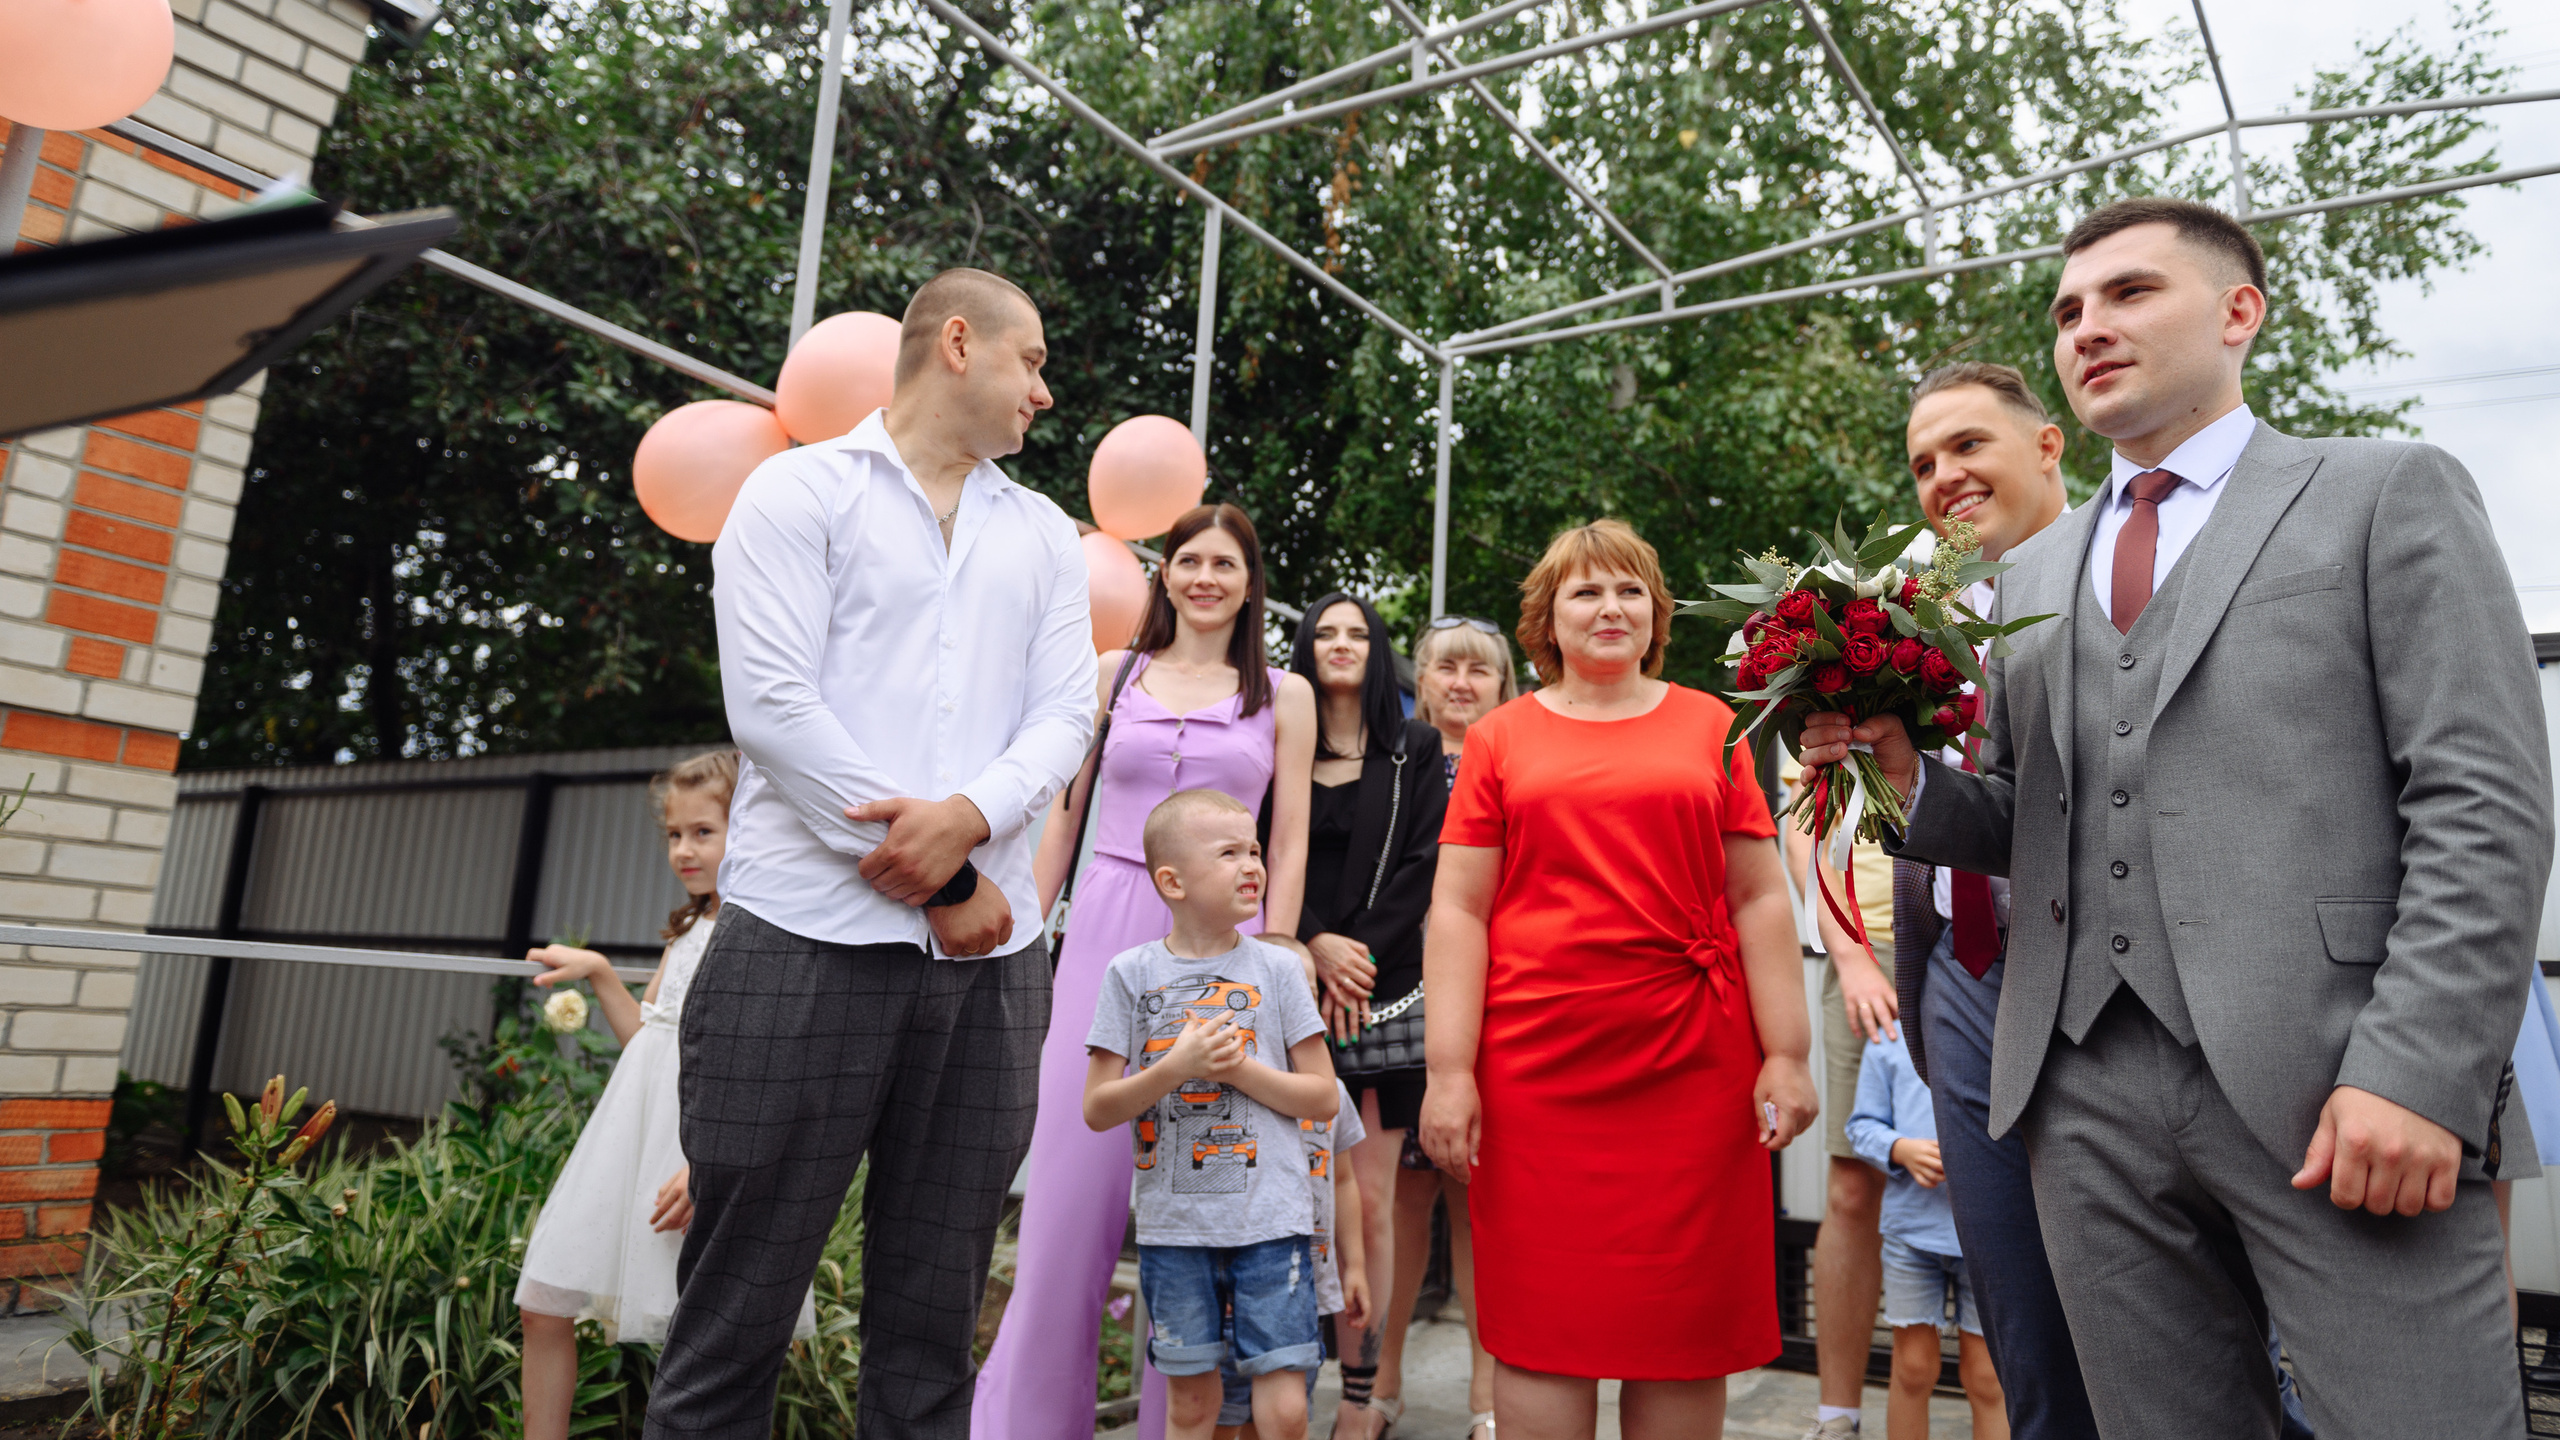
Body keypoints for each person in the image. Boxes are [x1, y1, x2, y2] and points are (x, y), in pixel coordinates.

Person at [1801, 197, 2555, 1438]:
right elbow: (2023, 817)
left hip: (2337, 1085)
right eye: (2066, 311)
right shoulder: (2026, 581)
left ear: (2240, 313)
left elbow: (2483, 800)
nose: (2088, 327)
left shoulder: (2382, 493)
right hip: (2081, 1096)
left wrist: (2419, 1072)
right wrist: (1903, 776)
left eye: (2131, 293)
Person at [651, 268, 1095, 1440]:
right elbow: (775, 713)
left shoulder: (1044, 533)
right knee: (734, 1316)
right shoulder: (795, 493)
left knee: (934, 1323)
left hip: (994, 972)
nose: (1045, 393)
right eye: (1033, 359)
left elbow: (1064, 716)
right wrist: (943, 872)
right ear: (959, 342)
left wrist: (969, 817)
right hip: (802, 947)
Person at [1420, 518, 1820, 1439]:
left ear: (1657, 612)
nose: (1610, 608)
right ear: (1546, 620)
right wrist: (1450, 1072)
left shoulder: (1715, 725)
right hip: (1535, 1077)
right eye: (1586, 592)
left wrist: (1787, 1053)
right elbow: (1459, 911)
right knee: (1542, 1331)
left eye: (1630, 589)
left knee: (1682, 1328)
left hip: (1693, 1071)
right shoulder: (1498, 738)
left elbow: (1759, 897)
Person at [982, 503, 1316, 1440]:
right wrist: (1021, 931)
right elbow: (1062, 813)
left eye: (1225, 563)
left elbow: (1286, 842)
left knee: (1200, 1210)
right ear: (1164, 574)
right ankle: (1026, 1427)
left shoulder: (1282, 693)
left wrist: (1275, 955)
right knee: (1065, 1214)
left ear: (1251, 584)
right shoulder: (1110, 673)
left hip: (1223, 952)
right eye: (1188, 560)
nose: (1205, 576)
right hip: (1101, 931)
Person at [1878, 361, 2096, 1440]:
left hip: (2102, 973)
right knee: (2017, 1308)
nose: (1944, 477)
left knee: (2155, 1311)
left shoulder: (2130, 567)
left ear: (2047, 444)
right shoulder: (1912, 611)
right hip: (1957, 972)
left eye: (1968, 446)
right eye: (1923, 463)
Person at [515, 752, 815, 1440]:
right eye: (674, 834)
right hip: (627, 1146)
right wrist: (597, 975)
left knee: (700, 1335)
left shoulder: (762, 933)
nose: (684, 849)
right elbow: (648, 1040)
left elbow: (776, 1064)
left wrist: (710, 1163)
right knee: (542, 1301)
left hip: (696, 1150)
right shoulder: (688, 927)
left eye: (704, 832)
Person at [1081, 789, 1338, 1440]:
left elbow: (1323, 1096)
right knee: (1193, 1410)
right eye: (1230, 853)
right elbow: (1097, 1107)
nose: (1253, 864)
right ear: (1172, 881)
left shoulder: (1278, 968)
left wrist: (1237, 1071)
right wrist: (1177, 1066)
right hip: (1175, 1232)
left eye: (1255, 850)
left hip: (1272, 1223)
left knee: (1283, 1413)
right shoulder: (1128, 974)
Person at [1285, 593, 1446, 1440]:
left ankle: (1360, 1396)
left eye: (1358, 633)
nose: (1340, 644)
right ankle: (1276, 1385)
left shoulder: (1413, 748)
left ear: (1378, 652)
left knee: (1372, 1201)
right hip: (1290, 985)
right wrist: (1309, 945)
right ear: (1304, 651)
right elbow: (1268, 852)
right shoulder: (1280, 745)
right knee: (1289, 1194)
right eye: (1324, 633)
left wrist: (1351, 958)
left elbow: (1424, 866)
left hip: (1381, 993)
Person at [1369, 615, 1515, 1440]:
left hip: (1497, 1004)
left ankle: (1489, 1401)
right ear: (1419, 680)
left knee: (1481, 1208)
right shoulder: (1392, 769)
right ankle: (1379, 1384)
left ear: (1504, 684)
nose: (1462, 682)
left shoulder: (1520, 763)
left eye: (1480, 670)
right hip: (1400, 1002)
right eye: (1445, 668)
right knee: (1399, 1199)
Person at [1775, 747, 1899, 1440]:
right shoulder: (1833, 663)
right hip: (1867, 941)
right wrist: (1847, 948)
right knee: (1853, 1184)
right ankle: (1837, 1418)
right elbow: (1803, 826)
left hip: (1986, 937)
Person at [1214, 934, 1373, 1440]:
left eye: (1307, 996)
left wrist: (1356, 1268)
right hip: (1230, 1297)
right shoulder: (1225, 1094)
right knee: (1222, 1414)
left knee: (1285, 1418)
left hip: (1303, 1291)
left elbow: (1343, 1182)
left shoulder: (1333, 1097)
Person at [1843, 1032, 2007, 1440]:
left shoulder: (1999, 1028)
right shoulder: (1888, 1039)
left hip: (1987, 1236)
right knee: (1913, 1367)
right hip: (1911, 1235)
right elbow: (1861, 1125)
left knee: (1988, 1374)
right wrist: (1900, 1148)